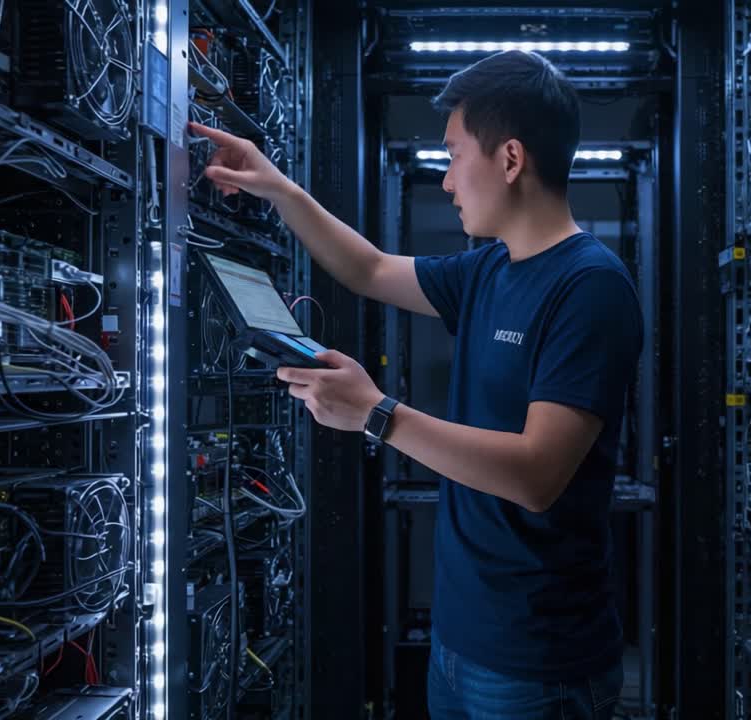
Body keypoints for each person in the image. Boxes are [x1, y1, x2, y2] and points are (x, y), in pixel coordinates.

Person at [190, 49, 642, 720]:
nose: (447, 178)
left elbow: (537, 474)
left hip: (537, 662)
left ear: (510, 159)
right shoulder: (489, 269)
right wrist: (278, 188)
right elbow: (369, 269)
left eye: (455, 155)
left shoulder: (590, 287)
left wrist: (377, 413)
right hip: (458, 643)